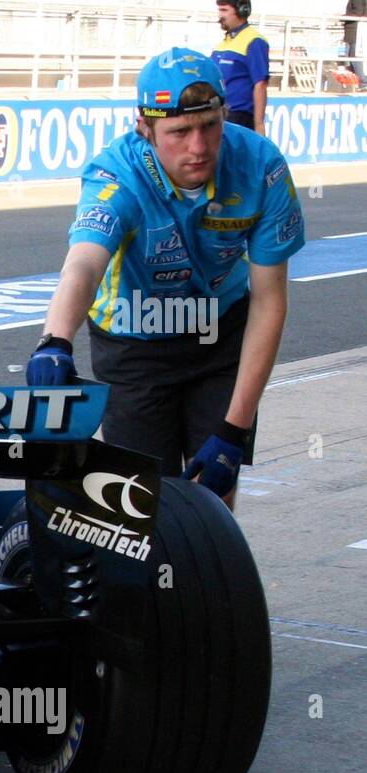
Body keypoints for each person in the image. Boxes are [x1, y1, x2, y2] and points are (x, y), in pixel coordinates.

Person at [25, 48, 304, 508]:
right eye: (179, 132)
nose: (198, 147)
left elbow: (269, 299)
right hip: (135, 342)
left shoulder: (261, 166)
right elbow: (85, 262)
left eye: (210, 126)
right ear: (145, 128)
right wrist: (55, 340)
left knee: (212, 502)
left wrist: (234, 430)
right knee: (139, 509)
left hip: (218, 335)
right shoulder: (117, 171)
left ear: (224, 115)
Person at [212, 0, 269, 134]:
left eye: (224, 10)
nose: (220, 15)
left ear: (242, 10)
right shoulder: (221, 45)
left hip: (239, 118)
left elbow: (260, 84)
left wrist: (259, 125)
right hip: (218, 114)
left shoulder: (254, 41)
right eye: (219, 10)